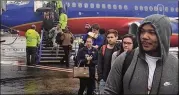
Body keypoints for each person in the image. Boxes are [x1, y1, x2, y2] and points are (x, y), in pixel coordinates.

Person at [103, 14, 178, 94]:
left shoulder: (175, 65)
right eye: (142, 31)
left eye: (151, 32)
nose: (144, 36)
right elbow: (109, 92)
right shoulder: (125, 59)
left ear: (164, 35)